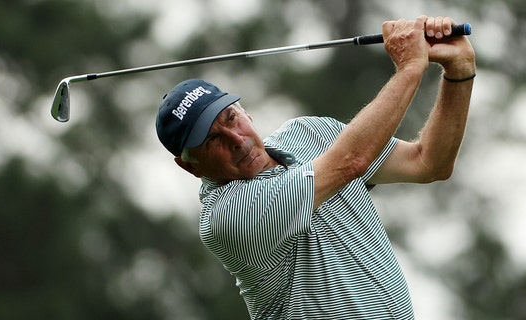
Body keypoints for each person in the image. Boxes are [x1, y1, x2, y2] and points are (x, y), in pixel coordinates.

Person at [155, 15, 475, 320]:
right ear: (189, 167)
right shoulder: (227, 217)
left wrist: (459, 71)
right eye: (212, 140)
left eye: (230, 118)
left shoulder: (308, 133)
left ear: (245, 111)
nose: (235, 140)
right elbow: (351, 161)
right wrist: (409, 68)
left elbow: (428, 162)